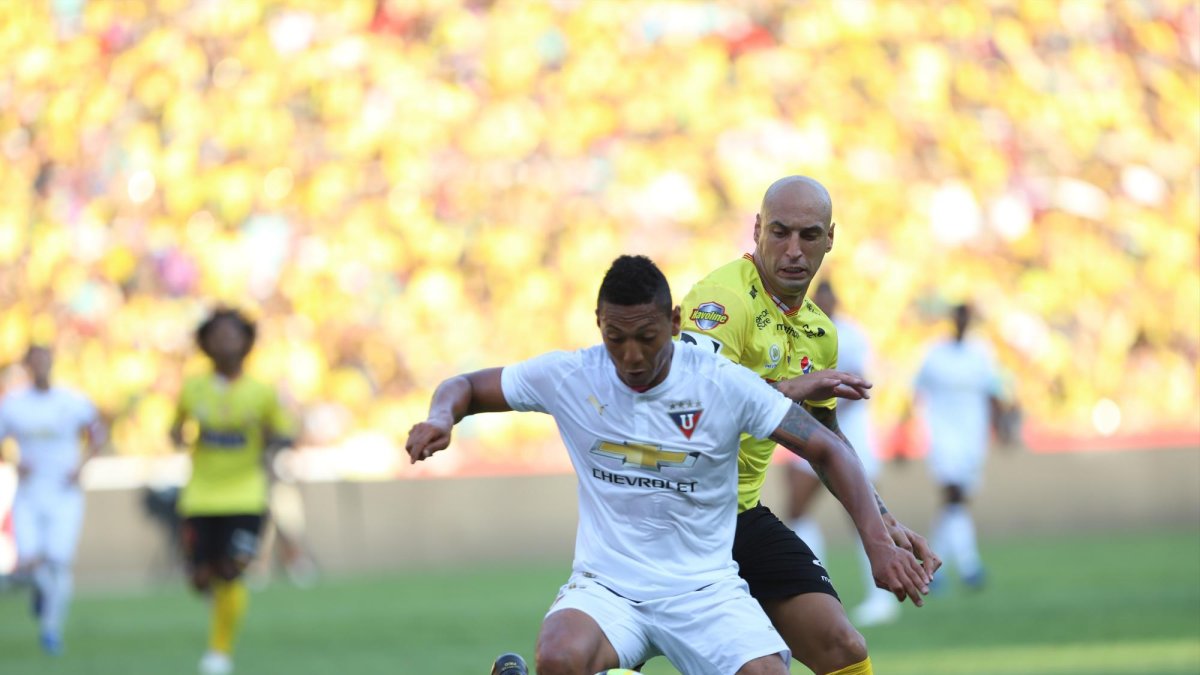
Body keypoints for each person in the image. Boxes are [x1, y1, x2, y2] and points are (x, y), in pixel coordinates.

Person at [406, 255, 930, 675]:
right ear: (599, 326)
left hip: (704, 588)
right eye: (616, 338)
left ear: (674, 323)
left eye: (646, 338)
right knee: (560, 656)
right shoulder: (571, 376)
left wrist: (877, 541)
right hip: (608, 585)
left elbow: (826, 446)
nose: (631, 356)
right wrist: (441, 417)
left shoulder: (719, 381)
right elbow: (468, 386)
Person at [678, 176, 939, 674]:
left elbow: (825, 440)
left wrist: (884, 522)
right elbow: (689, 413)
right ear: (756, 230)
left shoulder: (819, 332)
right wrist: (791, 387)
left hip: (738, 517)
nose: (794, 250)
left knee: (844, 647)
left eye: (809, 235)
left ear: (830, 239)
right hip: (674, 518)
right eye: (780, 233)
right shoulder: (720, 303)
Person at [170, 309, 295, 675]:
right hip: (201, 496)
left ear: (246, 342)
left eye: (233, 334)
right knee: (200, 578)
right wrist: (177, 436)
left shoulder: (263, 391)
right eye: (217, 335)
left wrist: (274, 442)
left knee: (232, 569)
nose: (225, 341)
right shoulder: (193, 388)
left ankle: (219, 653)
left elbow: (284, 430)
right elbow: (174, 428)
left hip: (246, 494)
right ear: (205, 343)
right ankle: (218, 605)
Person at [0, 345, 106, 655]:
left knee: (58, 563)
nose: (41, 366)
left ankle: (51, 631)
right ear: (28, 366)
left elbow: (97, 433)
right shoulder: (14, 404)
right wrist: (12, 461)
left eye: (45, 360)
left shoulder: (72, 401)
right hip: (30, 493)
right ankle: (40, 594)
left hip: (64, 493)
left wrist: (82, 466)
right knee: (31, 561)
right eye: (35, 362)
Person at [905, 302, 1008, 591]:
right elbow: (915, 391)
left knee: (955, 504)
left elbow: (994, 392)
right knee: (953, 494)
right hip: (942, 435)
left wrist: (1001, 427)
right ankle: (969, 566)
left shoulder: (982, 353)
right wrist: (905, 431)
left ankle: (932, 567)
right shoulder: (934, 353)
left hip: (972, 437)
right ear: (952, 320)